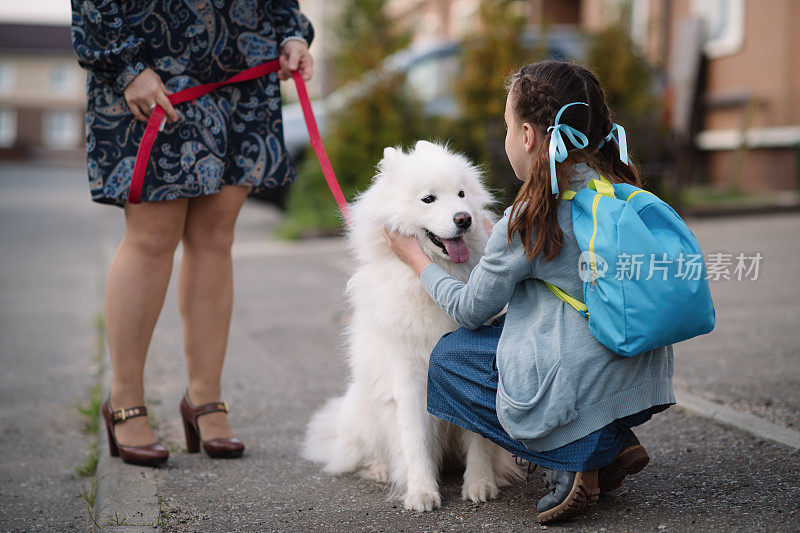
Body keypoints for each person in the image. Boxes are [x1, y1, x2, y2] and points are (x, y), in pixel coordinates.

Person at [383, 61, 675, 524]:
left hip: (579, 382)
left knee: (450, 356)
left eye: (504, 126)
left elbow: (469, 309)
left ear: (526, 136)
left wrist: (416, 259)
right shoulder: (617, 190)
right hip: (641, 381)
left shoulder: (530, 218)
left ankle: (569, 458)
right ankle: (612, 440)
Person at [71, 1, 314, 466]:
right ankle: (124, 399)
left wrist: (291, 33)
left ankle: (205, 397)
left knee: (216, 236)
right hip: (154, 64)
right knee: (153, 234)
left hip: (243, 58)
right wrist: (127, 66)